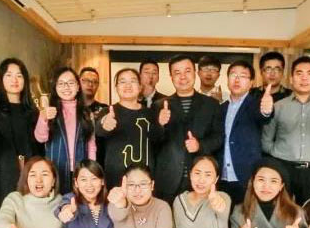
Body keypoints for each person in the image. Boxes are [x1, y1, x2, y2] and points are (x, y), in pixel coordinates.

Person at [0, 58, 45, 228]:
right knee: (0, 223)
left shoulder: (33, 112)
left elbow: (40, 146)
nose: (14, 80)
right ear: (1, 79)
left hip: (28, 175)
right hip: (0, 175)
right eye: (9, 75)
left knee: (28, 223)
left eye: (19, 75)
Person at [262, 55, 310, 204]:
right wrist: (278, 154)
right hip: (282, 167)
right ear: (291, 79)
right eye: (299, 73)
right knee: (280, 209)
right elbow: (266, 140)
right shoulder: (278, 106)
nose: (304, 78)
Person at [152, 54, 224, 204]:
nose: (183, 76)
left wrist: (200, 146)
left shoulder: (211, 104)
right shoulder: (159, 105)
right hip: (168, 179)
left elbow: (219, 137)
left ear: (195, 73)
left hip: (200, 180)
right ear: (171, 77)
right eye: (177, 72)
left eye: (187, 71)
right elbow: (152, 142)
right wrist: (160, 124)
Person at [217, 59, 273, 205]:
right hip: (222, 177)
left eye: (243, 76)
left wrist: (266, 110)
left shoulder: (256, 104)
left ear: (251, 83)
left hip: (246, 177)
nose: (237, 79)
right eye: (233, 75)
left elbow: (263, 115)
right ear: (227, 80)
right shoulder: (221, 108)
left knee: (246, 216)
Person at [95, 68, 163, 188]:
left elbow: (158, 141)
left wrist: (161, 124)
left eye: (133, 81)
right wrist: (105, 124)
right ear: (116, 87)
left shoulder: (150, 113)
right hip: (115, 181)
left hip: (145, 182)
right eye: (122, 81)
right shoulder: (107, 111)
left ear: (140, 87)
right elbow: (99, 131)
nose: (128, 85)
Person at [34, 67, 96, 194]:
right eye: (61, 83)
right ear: (55, 88)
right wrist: (44, 118)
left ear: (78, 86)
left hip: (81, 170)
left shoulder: (86, 113)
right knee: (57, 203)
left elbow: (91, 145)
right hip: (55, 169)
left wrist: (91, 169)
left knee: (79, 203)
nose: (66, 87)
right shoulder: (49, 111)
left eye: (70, 83)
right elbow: (40, 138)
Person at [229, 158, 307, 228]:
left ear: (281, 186)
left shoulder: (296, 212)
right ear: (252, 182)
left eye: (273, 181)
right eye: (261, 179)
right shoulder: (239, 211)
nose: (266, 186)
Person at [107, 165, 173, 228]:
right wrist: (120, 204)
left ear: (152, 185)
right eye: (131, 184)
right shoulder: (118, 201)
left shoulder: (162, 207)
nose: (137, 190)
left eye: (143, 184)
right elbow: (117, 215)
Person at [173, 156, 231, 228]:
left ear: (216, 179)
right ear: (190, 175)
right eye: (197, 173)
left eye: (208, 175)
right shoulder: (178, 200)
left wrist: (217, 203)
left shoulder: (223, 197)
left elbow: (221, 206)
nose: (201, 180)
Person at [54, 160, 114, 228]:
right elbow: (64, 206)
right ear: (76, 183)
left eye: (94, 178)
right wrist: (66, 210)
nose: (89, 185)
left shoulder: (110, 202)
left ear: (102, 181)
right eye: (83, 179)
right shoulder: (70, 198)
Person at [80, 67, 110, 165]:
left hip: (100, 161)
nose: (90, 84)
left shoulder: (105, 109)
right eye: (86, 80)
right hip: (77, 158)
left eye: (94, 82)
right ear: (78, 82)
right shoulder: (72, 109)